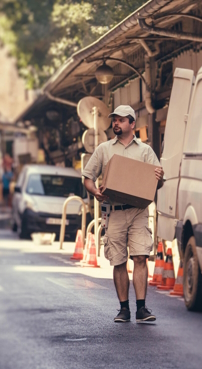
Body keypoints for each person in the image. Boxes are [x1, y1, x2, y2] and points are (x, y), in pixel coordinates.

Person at [82, 105, 164, 323]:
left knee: (140, 257)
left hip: (138, 211)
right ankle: (124, 309)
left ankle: (141, 308)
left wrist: (159, 176)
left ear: (132, 124)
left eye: (120, 120)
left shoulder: (145, 151)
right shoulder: (104, 149)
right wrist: (95, 193)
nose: (116, 124)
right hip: (115, 212)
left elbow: (158, 182)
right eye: (114, 120)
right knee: (118, 261)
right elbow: (88, 177)